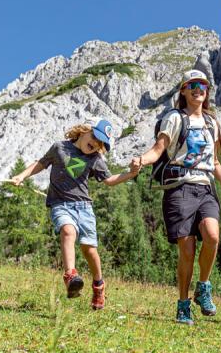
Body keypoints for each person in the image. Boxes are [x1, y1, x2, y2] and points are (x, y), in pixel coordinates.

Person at [131, 70, 221, 325]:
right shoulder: (174, 118)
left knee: (212, 236)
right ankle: (183, 304)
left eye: (202, 85)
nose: (197, 89)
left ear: (207, 91)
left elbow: (214, 162)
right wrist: (141, 160)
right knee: (188, 250)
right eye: (191, 85)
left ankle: (203, 286)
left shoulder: (212, 123)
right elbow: (159, 149)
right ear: (183, 90)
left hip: (206, 188)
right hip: (179, 188)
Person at [11, 119, 140, 310]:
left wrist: (130, 173)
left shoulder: (95, 159)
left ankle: (98, 285)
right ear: (84, 131)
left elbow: (110, 180)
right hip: (60, 204)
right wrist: (22, 175)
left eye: (101, 143)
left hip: (84, 208)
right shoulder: (59, 148)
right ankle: (70, 276)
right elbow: (41, 163)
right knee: (68, 231)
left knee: (89, 250)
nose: (96, 143)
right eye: (95, 137)